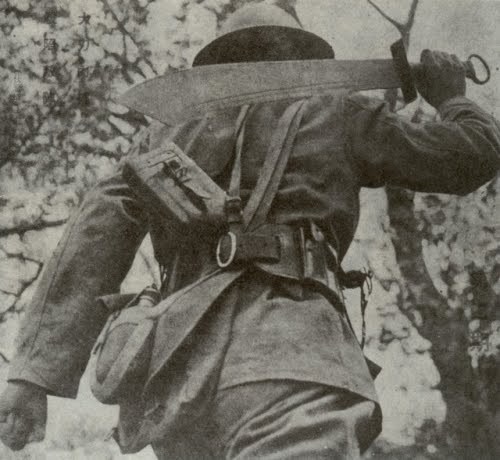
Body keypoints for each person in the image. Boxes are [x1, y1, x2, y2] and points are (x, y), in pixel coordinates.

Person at [1, 4, 499, 459]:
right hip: (291, 361)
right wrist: (452, 96)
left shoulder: (164, 135)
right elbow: (472, 154)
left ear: (218, 63)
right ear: (304, 55)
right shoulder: (337, 111)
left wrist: (33, 375)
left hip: (178, 377)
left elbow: (95, 233)